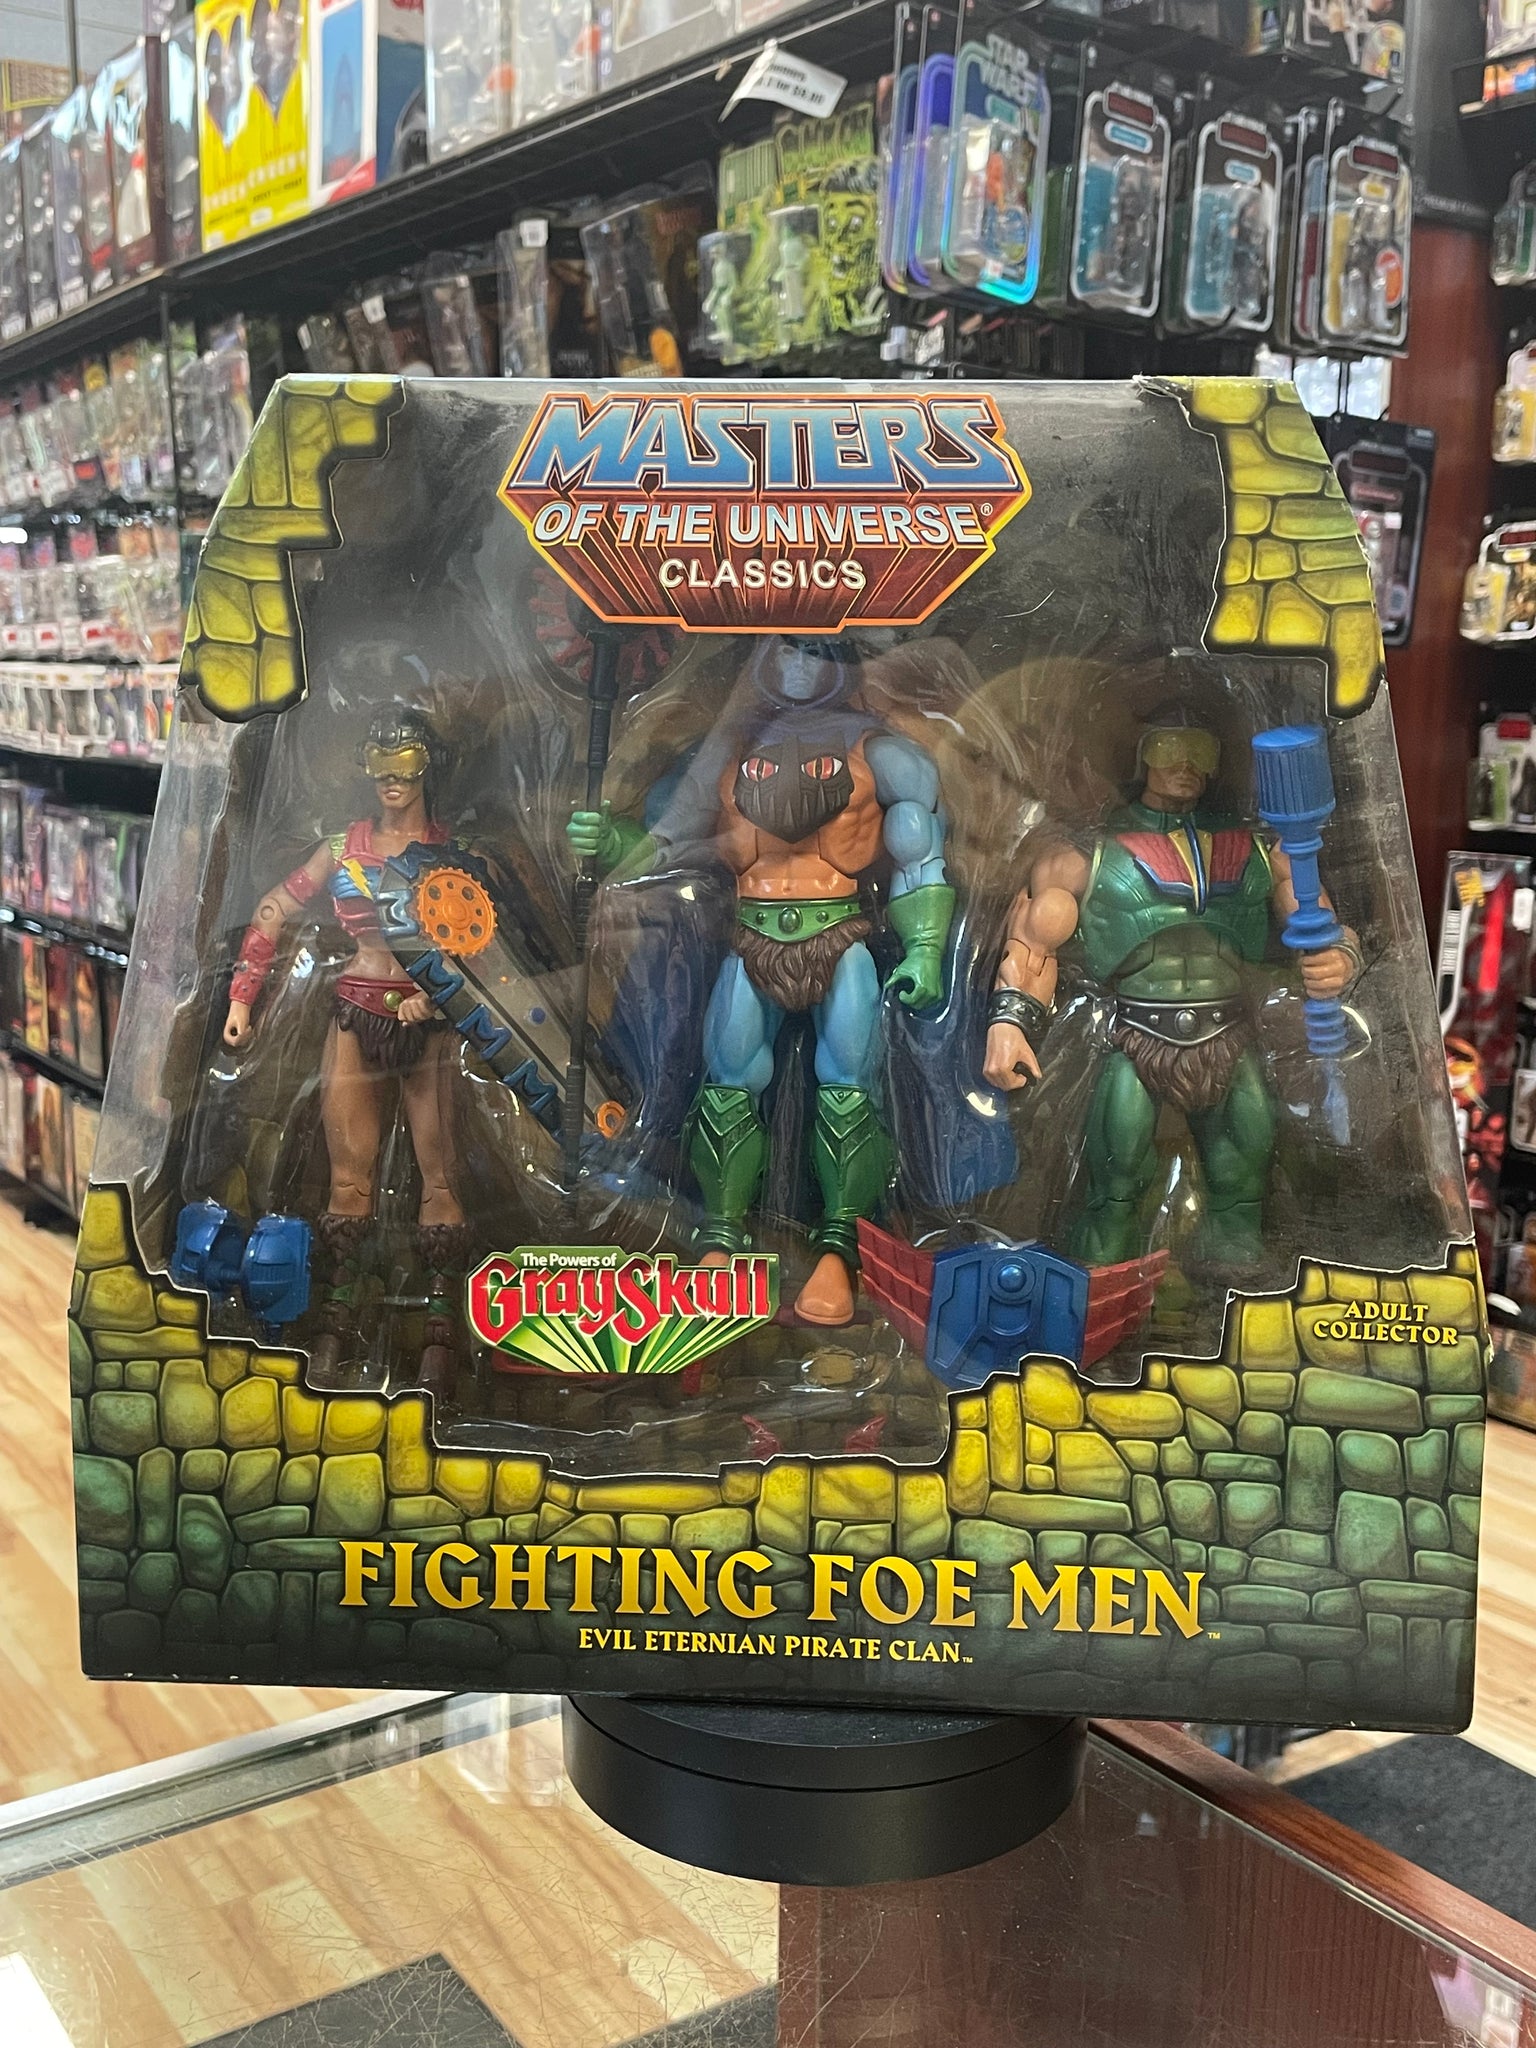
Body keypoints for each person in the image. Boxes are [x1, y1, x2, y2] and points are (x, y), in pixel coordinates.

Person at [983, 704, 1359, 1269]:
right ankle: (1098, 1298)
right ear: (1141, 757)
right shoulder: (1087, 853)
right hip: (1135, 1036)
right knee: (1114, 1189)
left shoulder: (1264, 851)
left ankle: (1231, 1301)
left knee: (1242, 1186)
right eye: (1168, 748)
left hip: (1229, 1035)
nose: (1184, 764)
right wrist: (1009, 1022)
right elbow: (1034, 941)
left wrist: (1339, 960)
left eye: (1199, 751)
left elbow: (1323, 931)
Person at [223, 707, 470, 1390]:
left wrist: (439, 994)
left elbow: (481, 942)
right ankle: (336, 1317)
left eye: (406, 763)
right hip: (355, 1010)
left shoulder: (450, 852)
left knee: (440, 1176)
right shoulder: (341, 847)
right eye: (380, 764)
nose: (392, 779)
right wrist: (242, 998)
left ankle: (441, 1327)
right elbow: (272, 909)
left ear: (427, 765)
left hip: (428, 1024)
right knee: (347, 1180)